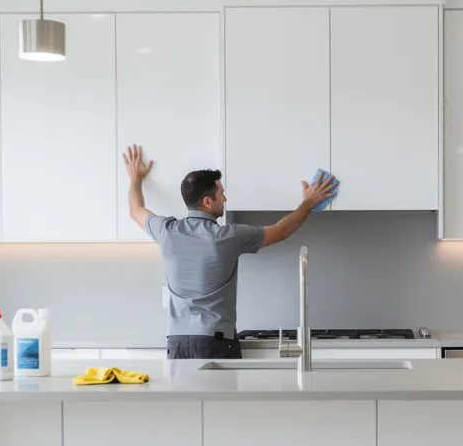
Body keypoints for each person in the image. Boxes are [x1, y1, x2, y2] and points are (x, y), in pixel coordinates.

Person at [122, 144, 338, 360]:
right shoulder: (226, 236)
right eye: (221, 193)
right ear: (207, 202)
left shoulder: (165, 231)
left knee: (185, 396)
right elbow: (281, 231)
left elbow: (135, 210)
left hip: (177, 342)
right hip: (213, 343)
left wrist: (135, 179)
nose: (224, 198)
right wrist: (308, 202)